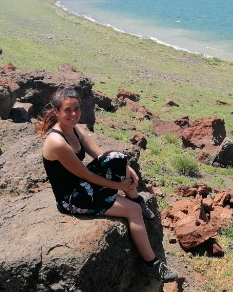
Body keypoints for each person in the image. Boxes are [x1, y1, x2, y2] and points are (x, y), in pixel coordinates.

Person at [37, 86, 177, 282]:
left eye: (76, 108)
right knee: (133, 211)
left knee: (116, 157)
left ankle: (137, 199)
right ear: (56, 112)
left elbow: (101, 154)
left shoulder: (75, 129)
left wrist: (126, 168)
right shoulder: (57, 142)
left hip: (83, 185)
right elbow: (85, 174)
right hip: (72, 197)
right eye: (67, 110)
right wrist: (120, 186)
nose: (74, 114)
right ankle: (152, 265)